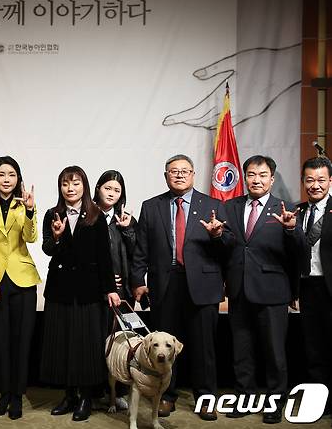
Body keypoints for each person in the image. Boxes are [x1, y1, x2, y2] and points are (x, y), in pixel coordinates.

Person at [130, 154, 233, 421]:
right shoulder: (151, 206)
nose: (179, 175)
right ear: (166, 176)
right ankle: (166, 396)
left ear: (193, 174)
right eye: (173, 171)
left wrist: (217, 235)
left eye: (185, 171)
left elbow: (228, 248)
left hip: (202, 284)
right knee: (163, 347)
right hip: (165, 284)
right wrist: (138, 281)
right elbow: (141, 249)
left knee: (204, 346)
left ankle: (206, 398)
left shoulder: (212, 205)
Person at [223, 155, 305, 424]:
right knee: (241, 351)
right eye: (250, 174)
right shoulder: (230, 207)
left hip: (273, 291)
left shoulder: (287, 209)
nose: (255, 179)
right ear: (244, 177)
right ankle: (244, 397)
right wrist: (216, 236)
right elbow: (228, 245)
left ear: (272, 178)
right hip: (238, 291)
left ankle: (274, 402)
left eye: (261, 175)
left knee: (274, 351)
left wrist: (292, 231)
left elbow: (298, 254)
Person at [40, 165, 119, 422]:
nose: (70, 188)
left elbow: (105, 257)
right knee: (62, 343)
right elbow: (48, 249)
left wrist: (110, 289)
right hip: (60, 289)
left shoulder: (96, 215)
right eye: (65, 184)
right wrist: (58, 237)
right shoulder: (53, 214)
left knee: (86, 344)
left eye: (75, 183)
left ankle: (86, 397)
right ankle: (69, 395)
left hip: (89, 290)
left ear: (84, 186)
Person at [0, 156, 40, 420]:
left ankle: (18, 396)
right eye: (2, 174)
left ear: (18, 179)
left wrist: (29, 210)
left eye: (12, 175)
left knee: (21, 342)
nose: (6, 179)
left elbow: (31, 237)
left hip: (23, 280)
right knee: (0, 341)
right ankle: (4, 394)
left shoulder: (25, 205)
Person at [295, 156, 332, 416]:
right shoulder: (296, 212)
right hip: (308, 287)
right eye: (310, 180)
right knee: (313, 347)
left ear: (330, 181)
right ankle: (321, 399)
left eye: (321, 179)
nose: (315, 185)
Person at [93, 170, 136, 303]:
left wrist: (127, 229)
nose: (111, 194)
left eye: (117, 190)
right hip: (94, 288)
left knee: (120, 324)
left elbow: (136, 253)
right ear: (98, 188)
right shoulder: (86, 217)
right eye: (107, 188)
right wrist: (106, 279)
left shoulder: (128, 220)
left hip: (122, 290)